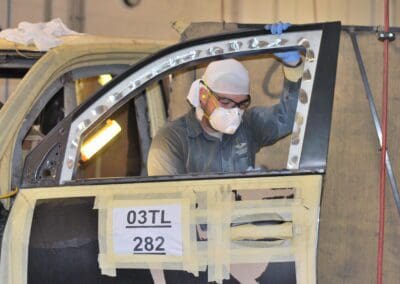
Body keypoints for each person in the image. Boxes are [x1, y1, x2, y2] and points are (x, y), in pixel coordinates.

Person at [147, 23, 303, 177]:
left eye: (241, 104)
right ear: (203, 95)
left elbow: (290, 117)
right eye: (225, 102)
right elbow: (171, 199)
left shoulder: (248, 126)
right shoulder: (171, 140)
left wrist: (293, 66)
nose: (234, 113)